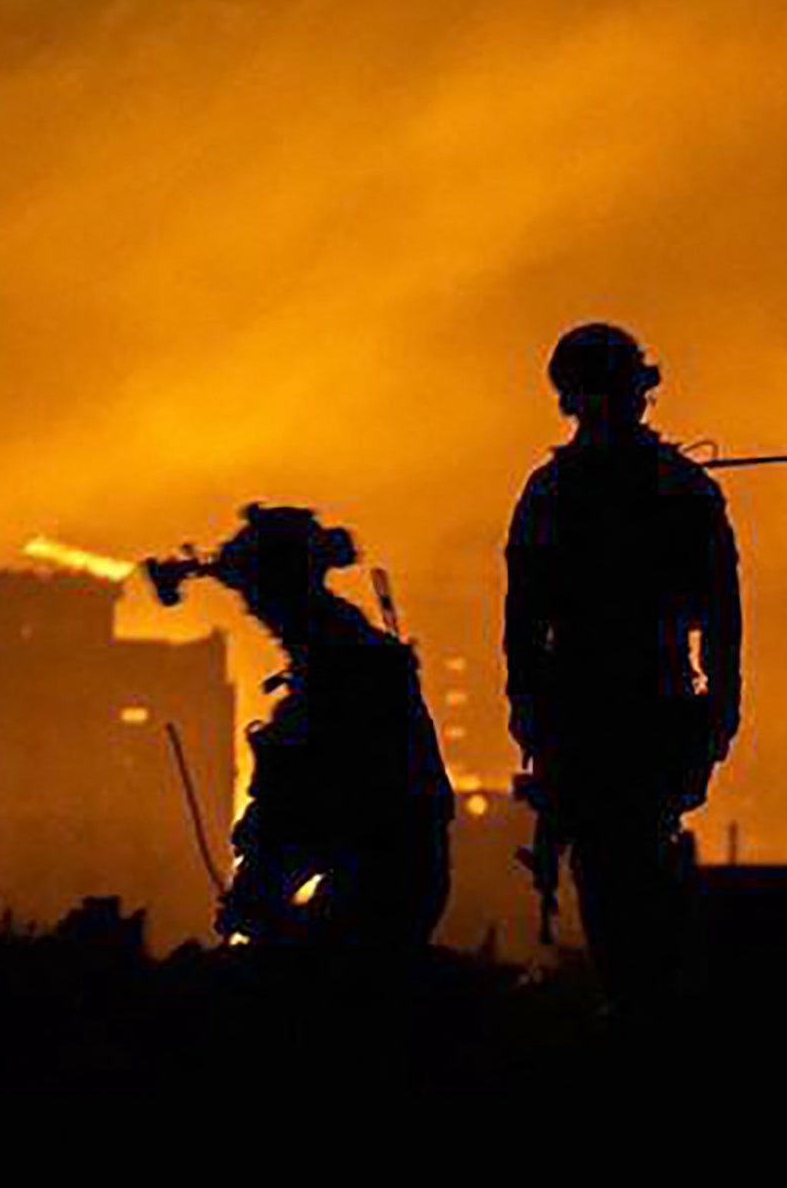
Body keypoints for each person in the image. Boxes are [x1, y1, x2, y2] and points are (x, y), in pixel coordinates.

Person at [504, 322, 742, 1008]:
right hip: (644, 703)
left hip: (598, 712)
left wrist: (531, 714)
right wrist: (721, 708)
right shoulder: (681, 490)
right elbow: (722, 617)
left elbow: (523, 626)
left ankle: (640, 1009)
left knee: (615, 876)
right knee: (633, 870)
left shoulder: (551, 493)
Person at [148, 505, 453, 954]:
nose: (257, 615)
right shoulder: (355, 654)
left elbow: (302, 806)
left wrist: (254, 892)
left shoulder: (342, 673)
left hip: (379, 890)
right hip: (394, 882)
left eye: (258, 599)